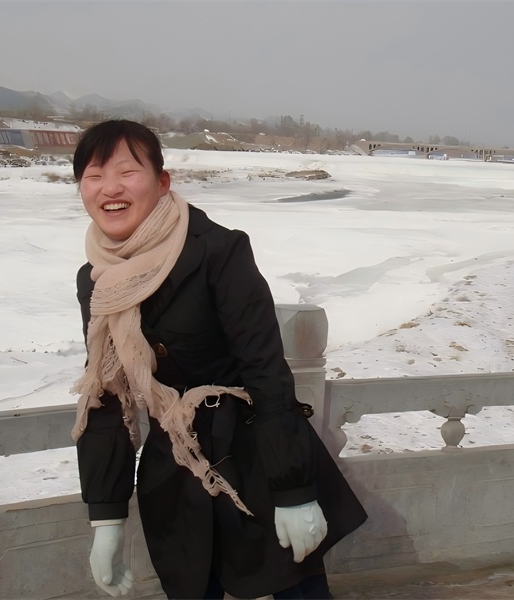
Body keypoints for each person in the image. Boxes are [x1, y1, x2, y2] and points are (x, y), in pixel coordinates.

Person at [69, 120, 367, 599]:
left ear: (162, 182)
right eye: (94, 176)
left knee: (297, 590)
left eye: (127, 172)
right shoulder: (97, 280)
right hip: (176, 471)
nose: (110, 188)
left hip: (255, 461)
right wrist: (106, 518)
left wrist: (294, 491)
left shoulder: (218, 251)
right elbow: (106, 395)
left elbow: (266, 372)